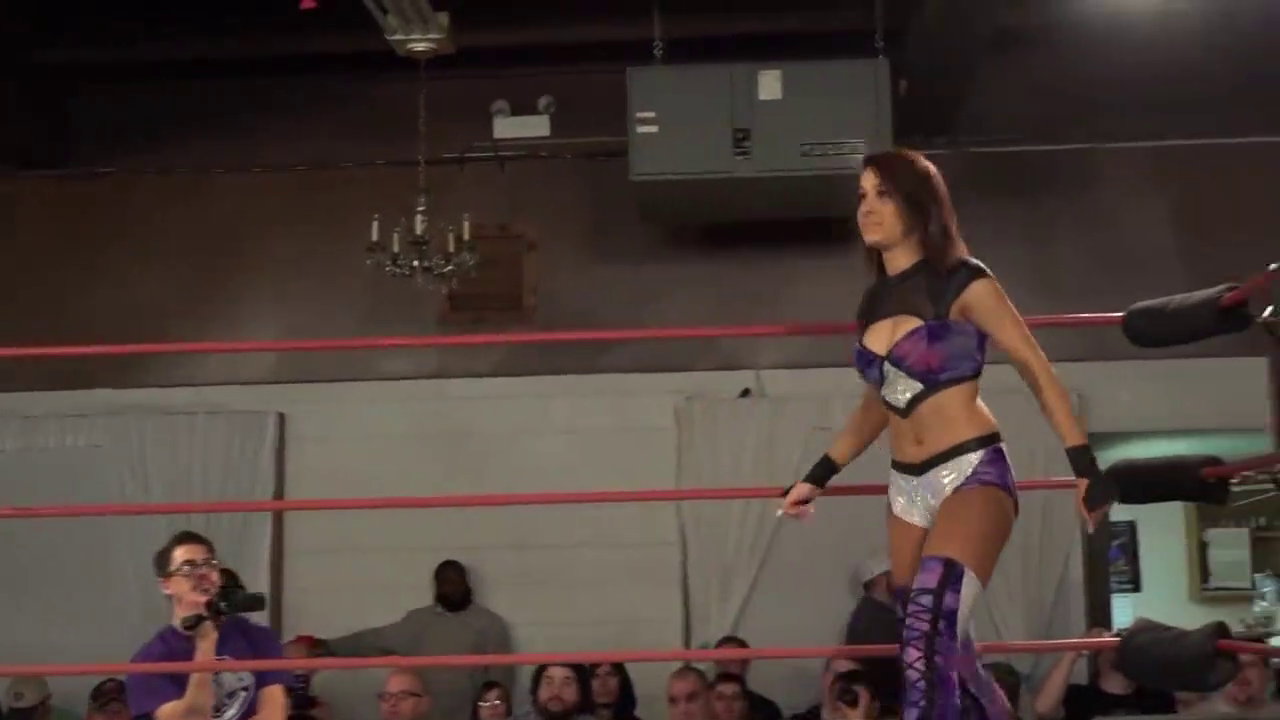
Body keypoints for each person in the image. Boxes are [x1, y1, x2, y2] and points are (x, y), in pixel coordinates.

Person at [778, 149, 1115, 720]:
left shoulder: (965, 281)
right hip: (905, 487)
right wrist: (817, 476)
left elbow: (1036, 369)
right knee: (939, 643)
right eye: (862, 196)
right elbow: (879, 402)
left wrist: (1085, 466)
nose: (867, 208)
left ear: (918, 204)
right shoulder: (873, 302)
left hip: (971, 471)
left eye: (883, 194)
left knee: (927, 635)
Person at [288, 559, 513, 720]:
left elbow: (500, 682)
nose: (451, 588)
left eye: (456, 582)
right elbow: (374, 640)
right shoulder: (418, 621)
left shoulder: (489, 624)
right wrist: (328, 646)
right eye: (445, 583)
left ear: (466, 583)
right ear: (436, 587)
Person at [126, 530, 289, 720]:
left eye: (208, 565)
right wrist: (205, 643)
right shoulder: (149, 661)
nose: (202, 573)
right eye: (188, 568)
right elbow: (191, 718)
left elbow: (274, 714)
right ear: (166, 585)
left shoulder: (256, 636)